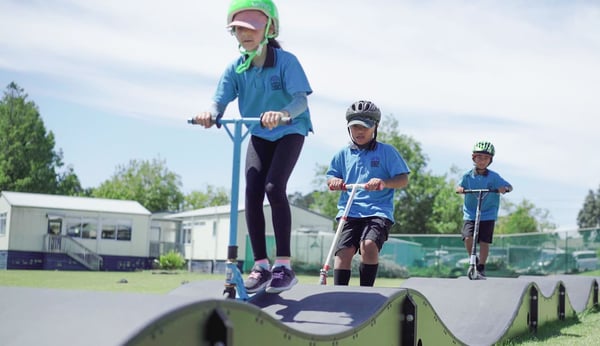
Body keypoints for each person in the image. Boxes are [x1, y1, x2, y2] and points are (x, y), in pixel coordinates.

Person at [193, 0, 313, 294]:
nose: (245, 34)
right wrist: (210, 113)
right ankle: (261, 266)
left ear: (269, 29)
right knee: (252, 191)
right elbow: (219, 100)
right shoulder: (237, 68)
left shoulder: (286, 62)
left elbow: (301, 100)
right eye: (238, 29)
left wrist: (282, 114)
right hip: (259, 132)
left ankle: (283, 265)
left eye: (252, 28)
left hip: (290, 129)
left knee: (274, 187)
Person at [326, 100, 410, 287]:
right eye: (355, 127)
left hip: (378, 211)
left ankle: (367, 292)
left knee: (369, 245)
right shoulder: (343, 154)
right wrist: (334, 181)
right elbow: (331, 176)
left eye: (365, 127)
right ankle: (339, 294)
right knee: (343, 252)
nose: (360, 131)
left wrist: (384, 183)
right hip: (350, 210)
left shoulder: (387, 152)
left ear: (375, 127)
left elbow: (403, 179)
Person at [456, 141, 512, 279]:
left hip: (488, 213)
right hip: (470, 213)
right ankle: (472, 259)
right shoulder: (467, 176)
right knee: (468, 237)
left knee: (484, 241)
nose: (482, 161)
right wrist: (460, 190)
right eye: (479, 157)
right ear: (473, 158)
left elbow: (509, 186)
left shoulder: (494, 177)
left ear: (490, 161)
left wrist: (503, 189)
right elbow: (459, 186)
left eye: (486, 158)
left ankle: (481, 266)